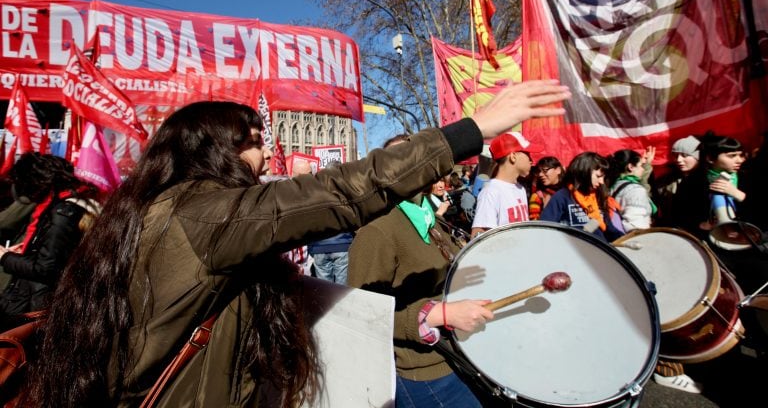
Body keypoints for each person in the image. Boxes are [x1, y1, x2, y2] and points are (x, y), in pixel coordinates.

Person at [22, 81, 570, 407]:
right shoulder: (203, 213)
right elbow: (339, 193)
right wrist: (471, 130)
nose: (265, 157)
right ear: (213, 150)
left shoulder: (160, 209)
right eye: (254, 144)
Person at [348, 135, 491, 408]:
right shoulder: (377, 232)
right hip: (422, 374)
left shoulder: (431, 218)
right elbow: (362, 315)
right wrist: (438, 314)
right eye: (402, 157)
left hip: (457, 358)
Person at [0, 153, 99, 330]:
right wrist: (26, 253)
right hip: (33, 301)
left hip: (37, 306)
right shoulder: (62, 205)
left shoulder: (63, 212)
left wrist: (5, 257)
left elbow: (46, 268)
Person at [540, 152, 624, 242]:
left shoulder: (599, 197)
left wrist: (628, 238)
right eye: (598, 176)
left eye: (603, 178)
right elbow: (545, 229)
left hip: (599, 252)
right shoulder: (563, 196)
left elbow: (610, 230)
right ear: (584, 172)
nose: (601, 182)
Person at [470, 132, 535, 237]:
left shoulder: (521, 189)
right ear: (513, 156)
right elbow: (478, 235)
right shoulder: (491, 191)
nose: (532, 161)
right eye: (527, 154)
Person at [654, 135, 700, 226]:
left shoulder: (707, 181)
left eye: (685, 155)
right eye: (675, 155)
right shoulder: (665, 180)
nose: (678, 160)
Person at [608, 149, 656, 231]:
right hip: (634, 240)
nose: (643, 169)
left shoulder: (612, 184)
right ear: (630, 167)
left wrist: (647, 164)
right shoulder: (636, 190)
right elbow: (636, 226)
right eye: (641, 165)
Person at [528, 156, 563, 220]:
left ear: (558, 170)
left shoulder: (570, 192)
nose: (540, 174)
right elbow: (535, 223)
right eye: (539, 171)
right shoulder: (538, 196)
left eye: (545, 170)